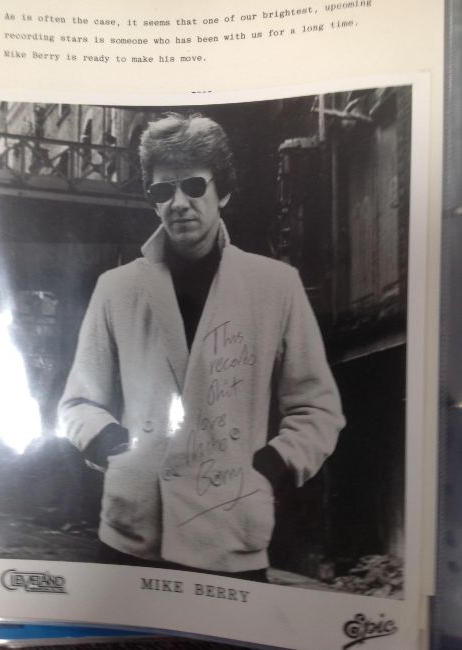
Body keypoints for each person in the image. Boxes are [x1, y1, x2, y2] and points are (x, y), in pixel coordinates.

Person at [59, 112, 345, 581]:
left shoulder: (276, 286)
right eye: (162, 190)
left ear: (223, 191)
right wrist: (108, 442)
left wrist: (273, 464)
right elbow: (78, 402)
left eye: (193, 186)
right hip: (133, 535)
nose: (178, 203)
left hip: (229, 537)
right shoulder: (116, 288)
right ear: (152, 200)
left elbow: (318, 409)